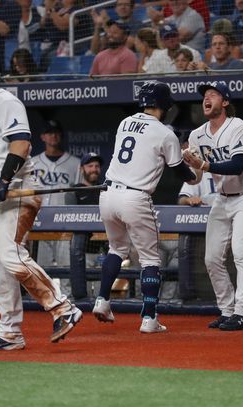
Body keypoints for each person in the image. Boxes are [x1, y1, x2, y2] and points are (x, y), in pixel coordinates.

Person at [0, 51, 82, 350]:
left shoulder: (5, 101)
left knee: (11, 255)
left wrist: (4, 180)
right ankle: (9, 332)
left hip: (16, 188)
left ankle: (63, 307)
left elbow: (21, 142)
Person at [91, 81, 200, 333]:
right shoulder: (165, 133)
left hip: (108, 194)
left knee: (116, 249)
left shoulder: (125, 122)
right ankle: (149, 318)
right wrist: (194, 167)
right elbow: (183, 174)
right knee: (151, 258)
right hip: (135, 197)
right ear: (163, 105)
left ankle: (102, 300)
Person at [182, 81, 243, 331]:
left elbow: (237, 166)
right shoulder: (197, 134)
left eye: (213, 95)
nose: (207, 99)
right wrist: (182, 165)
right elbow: (195, 178)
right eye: (205, 96)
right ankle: (228, 310)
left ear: (225, 102)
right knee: (212, 258)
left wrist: (204, 165)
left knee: (241, 252)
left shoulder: (238, 126)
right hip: (223, 198)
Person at [29, 119, 81, 298]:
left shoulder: (75, 163)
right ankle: (46, 300)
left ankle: (68, 302)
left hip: (65, 223)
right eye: (49, 132)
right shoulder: (33, 163)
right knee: (42, 269)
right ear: (43, 136)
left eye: (56, 132)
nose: (53, 136)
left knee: (66, 267)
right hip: (40, 223)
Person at [64, 152, 105, 297]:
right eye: (90, 166)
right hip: (82, 250)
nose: (94, 169)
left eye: (97, 166)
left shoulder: (105, 190)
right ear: (82, 169)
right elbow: (70, 219)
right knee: (83, 292)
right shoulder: (74, 190)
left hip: (103, 248)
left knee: (102, 293)